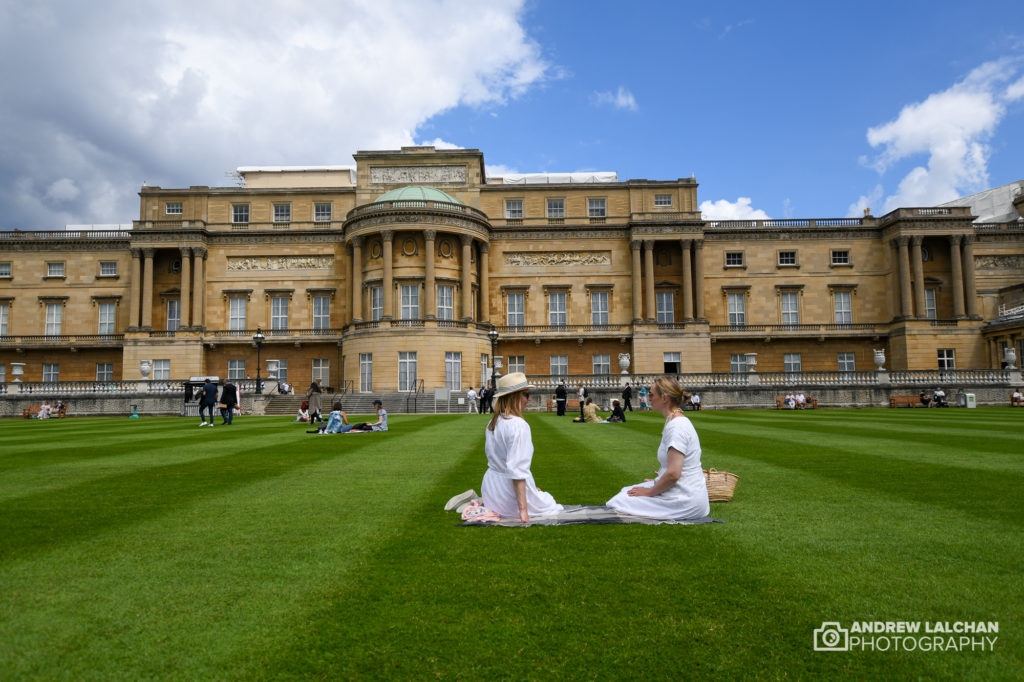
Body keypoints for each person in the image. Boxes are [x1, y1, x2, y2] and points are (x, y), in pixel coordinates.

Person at [606, 376, 710, 520]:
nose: (649, 398)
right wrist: (660, 479)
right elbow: (673, 470)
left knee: (618, 501)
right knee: (627, 491)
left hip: (685, 500)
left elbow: (674, 474)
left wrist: (650, 492)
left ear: (665, 398)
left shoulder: (677, 426)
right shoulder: (674, 421)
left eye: (651, 395)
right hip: (684, 493)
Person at [481, 372, 563, 523]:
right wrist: (523, 511)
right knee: (551, 503)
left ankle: (531, 495)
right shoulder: (518, 425)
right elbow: (517, 470)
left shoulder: (492, 422)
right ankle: (528, 501)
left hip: (491, 493)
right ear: (514, 397)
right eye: (526, 394)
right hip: (506, 495)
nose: (529, 399)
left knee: (540, 495)